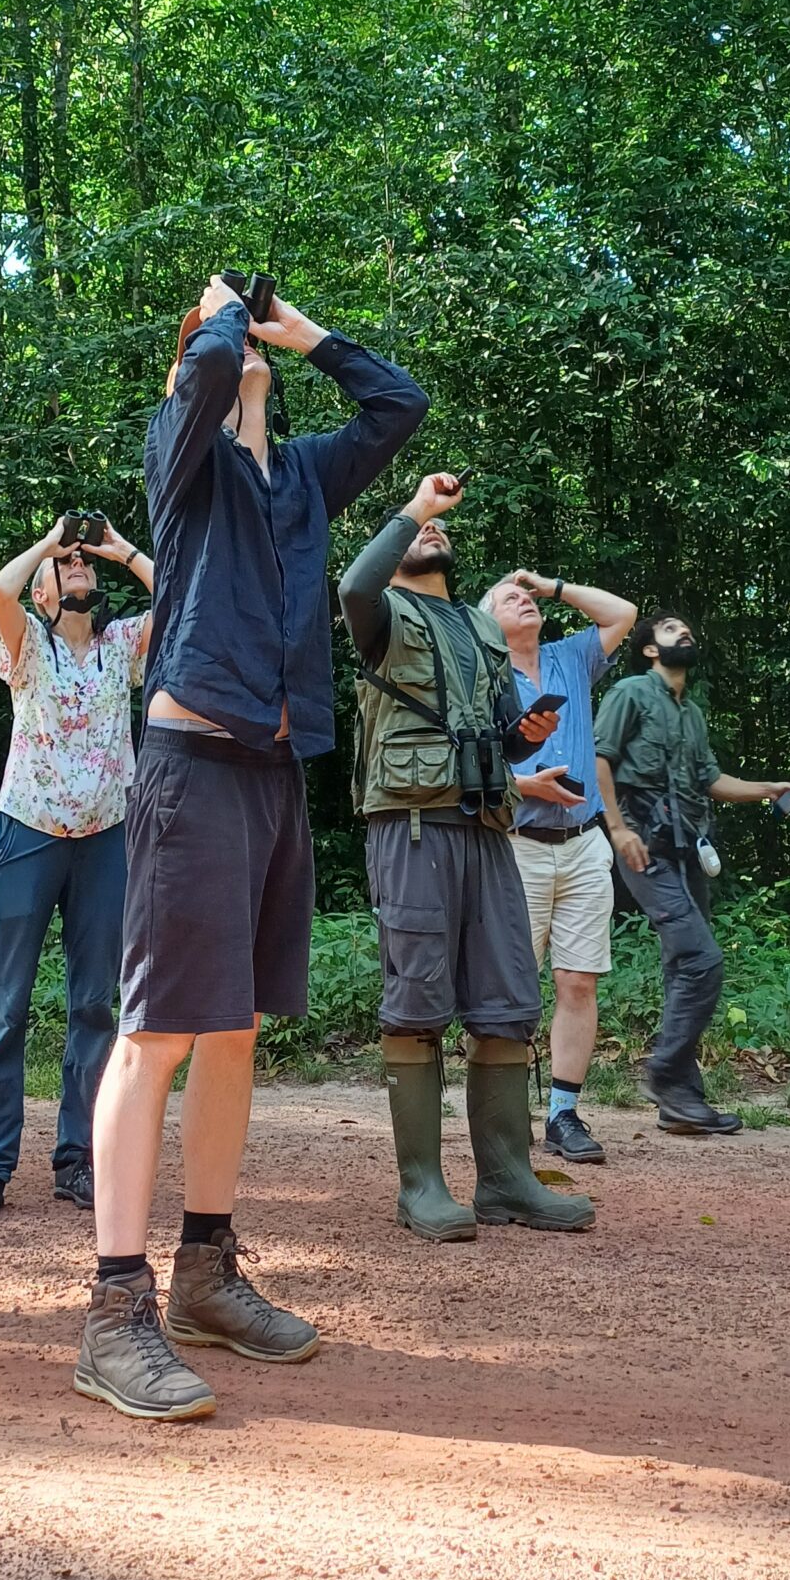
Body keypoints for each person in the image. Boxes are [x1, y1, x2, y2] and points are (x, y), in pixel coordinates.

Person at [74, 275, 426, 1423]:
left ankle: (205, 1274)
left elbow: (398, 407)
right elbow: (211, 376)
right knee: (158, 1032)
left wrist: (305, 332)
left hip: (274, 773)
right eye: (218, 349)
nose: (236, 352)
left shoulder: (303, 479)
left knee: (233, 1032)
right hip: (189, 767)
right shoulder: (185, 465)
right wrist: (217, 317)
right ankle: (113, 1308)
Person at [340, 475, 594, 1241]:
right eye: (418, 532)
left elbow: (500, 729)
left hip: (486, 827)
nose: (432, 534)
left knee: (507, 1001)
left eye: (439, 531)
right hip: (413, 826)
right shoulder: (382, 611)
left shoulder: (480, 630)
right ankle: (420, 1187)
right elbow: (352, 580)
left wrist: (527, 736)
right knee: (417, 1003)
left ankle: (508, 1180)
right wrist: (415, 508)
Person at [0, 515, 154, 1219]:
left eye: (83, 565)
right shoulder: (29, 643)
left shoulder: (123, 645)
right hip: (30, 834)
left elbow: (185, 597)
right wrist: (47, 543)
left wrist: (115, 548)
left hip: (105, 839)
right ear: (44, 593)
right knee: (5, 1005)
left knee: (94, 1005)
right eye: (63, 567)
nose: (77, 566)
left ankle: (79, 1159)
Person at [594, 612, 790, 1137]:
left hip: (687, 848)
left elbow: (711, 779)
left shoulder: (691, 712)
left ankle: (681, 1101)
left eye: (686, 630)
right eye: (670, 630)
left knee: (681, 967)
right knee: (702, 959)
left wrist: (769, 789)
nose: (683, 633)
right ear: (648, 649)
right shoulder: (628, 693)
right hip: (644, 846)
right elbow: (596, 759)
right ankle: (664, 1073)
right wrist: (617, 829)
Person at [483, 563, 642, 1165]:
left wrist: (551, 585)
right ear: (486, 621)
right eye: (508, 597)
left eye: (527, 595)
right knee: (514, 989)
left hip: (583, 844)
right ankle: (503, 1117)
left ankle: (563, 1115)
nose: (522, 600)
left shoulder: (571, 655)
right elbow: (466, 761)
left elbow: (622, 612)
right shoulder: (482, 675)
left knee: (578, 981)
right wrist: (527, 785)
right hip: (516, 846)